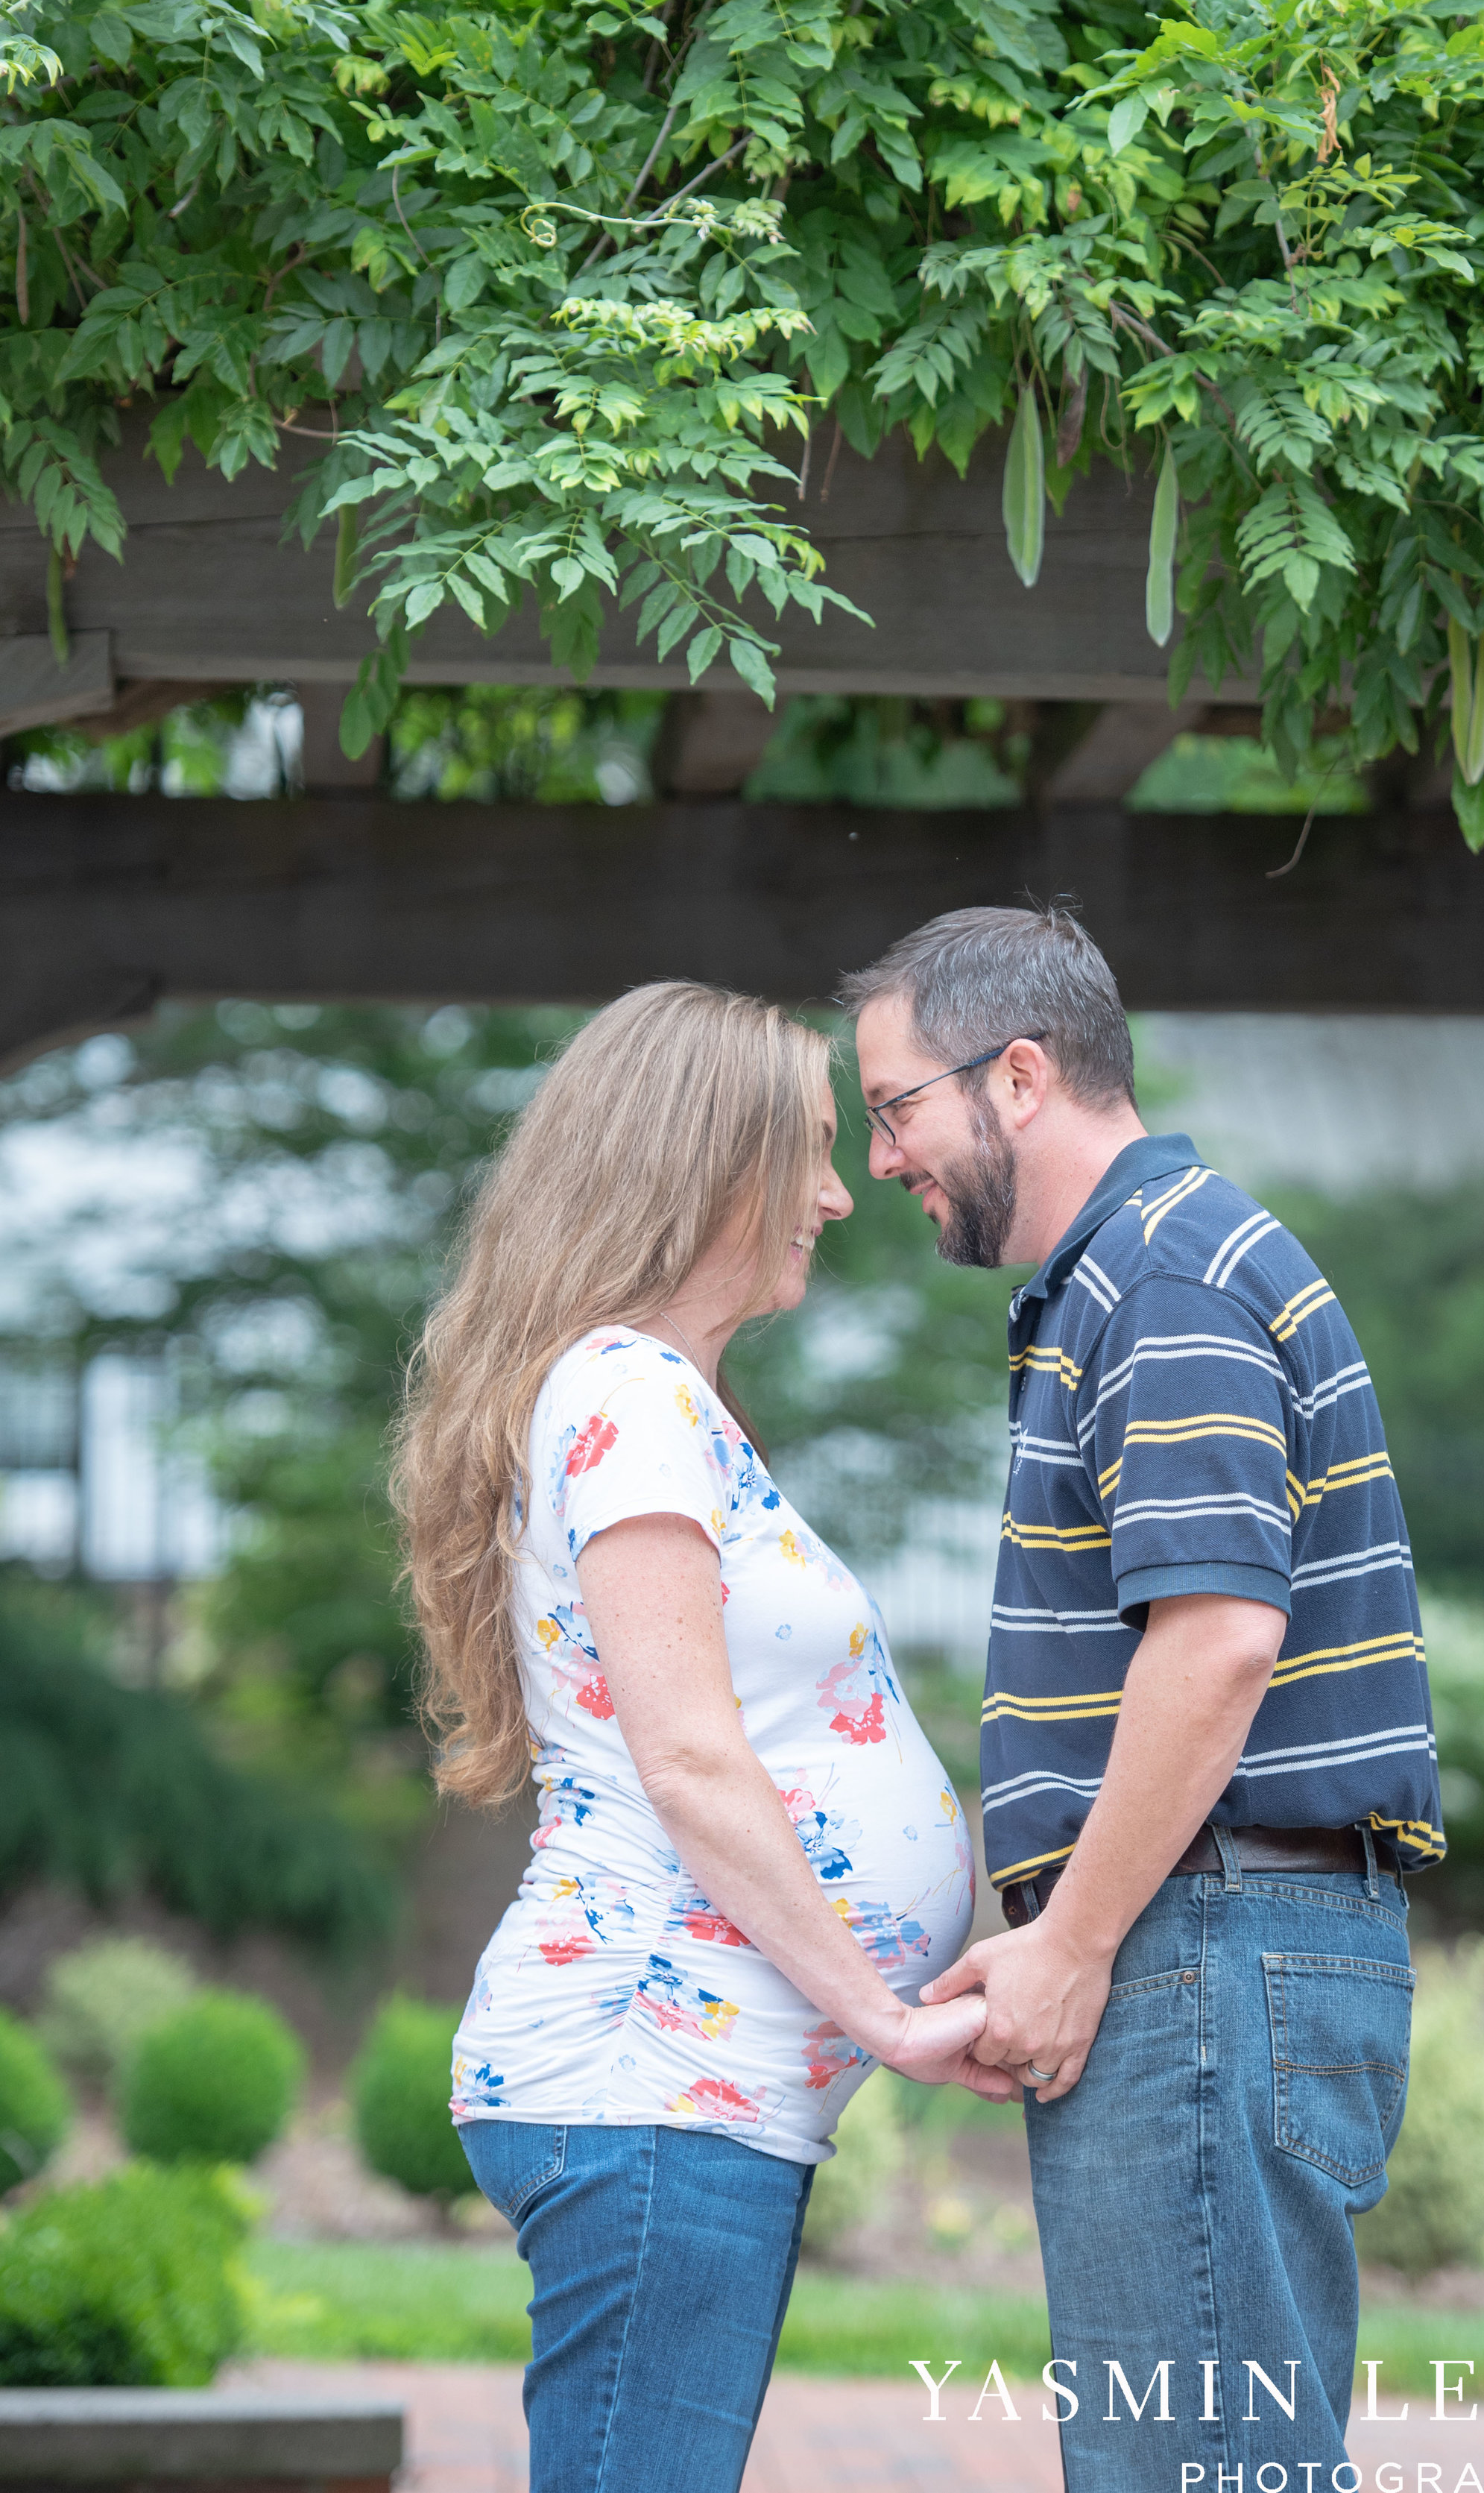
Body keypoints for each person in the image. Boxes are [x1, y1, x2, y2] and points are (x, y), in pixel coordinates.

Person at [844, 904, 1444, 2492]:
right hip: (1219, 1952)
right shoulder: (1146, 1267)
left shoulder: (1162, 1275)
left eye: (896, 1104)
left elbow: (1215, 1641)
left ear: (1017, 1075)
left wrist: (1074, 1941)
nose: (885, 1154)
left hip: (1198, 1951)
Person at [396, 982, 1009, 2493]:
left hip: (684, 2091)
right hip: (652, 2080)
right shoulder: (633, 1392)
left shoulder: (654, 1398)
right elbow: (690, 1760)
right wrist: (881, 2012)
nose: (830, 1192)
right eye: (802, 1149)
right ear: (700, 1162)